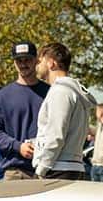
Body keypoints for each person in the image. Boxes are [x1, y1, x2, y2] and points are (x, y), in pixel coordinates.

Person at [0, 41, 49, 180]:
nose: (23, 64)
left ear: (36, 60)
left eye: (28, 59)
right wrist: (17, 146)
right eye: (19, 60)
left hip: (47, 171)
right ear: (14, 63)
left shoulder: (50, 93)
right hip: (15, 172)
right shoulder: (2, 97)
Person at [31, 42, 95, 180]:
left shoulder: (60, 91)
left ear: (51, 63)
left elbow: (56, 135)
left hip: (57, 168)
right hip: (72, 165)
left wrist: (41, 168)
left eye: (39, 62)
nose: (36, 66)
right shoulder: (73, 92)